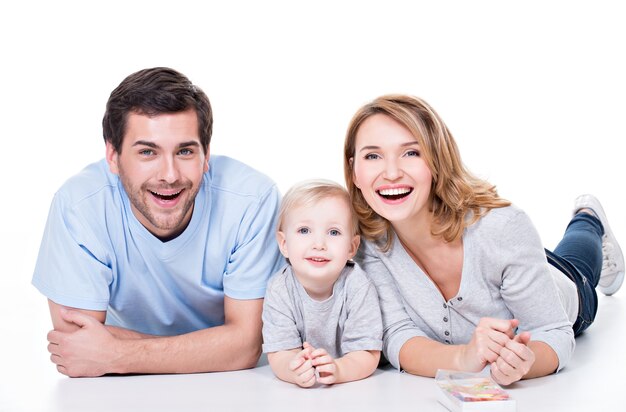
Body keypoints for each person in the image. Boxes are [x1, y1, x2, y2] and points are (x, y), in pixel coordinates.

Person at [343, 94, 625, 386]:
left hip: (563, 288)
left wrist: (523, 365)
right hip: (513, 263)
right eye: (373, 156)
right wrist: (463, 358)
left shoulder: (503, 227)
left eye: (411, 153)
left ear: (437, 159)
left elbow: (553, 331)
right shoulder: (363, 244)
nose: (391, 173)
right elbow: (397, 334)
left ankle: (589, 218)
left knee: (576, 263)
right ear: (354, 170)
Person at [32, 67, 284, 377]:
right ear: (113, 156)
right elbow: (75, 346)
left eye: (185, 151)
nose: (169, 175)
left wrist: (114, 354)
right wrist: (213, 348)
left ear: (206, 156)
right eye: (148, 152)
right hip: (119, 395)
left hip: (233, 388)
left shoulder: (252, 200)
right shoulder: (79, 206)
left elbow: (245, 347)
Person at [262, 180, 383, 387]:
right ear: (284, 244)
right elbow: (280, 352)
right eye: (304, 231)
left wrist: (339, 370)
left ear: (352, 247)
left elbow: (367, 353)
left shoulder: (358, 286)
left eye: (334, 232)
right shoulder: (279, 289)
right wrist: (294, 369)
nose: (319, 244)